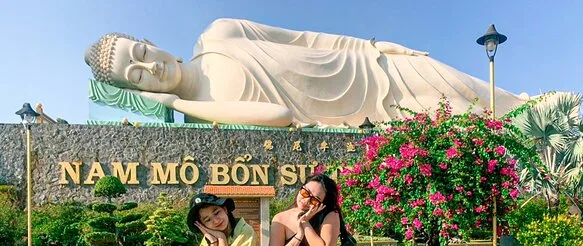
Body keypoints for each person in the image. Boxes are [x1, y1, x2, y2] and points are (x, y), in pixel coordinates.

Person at [84, 18, 528, 127]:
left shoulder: (219, 33)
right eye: (137, 76)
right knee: (465, 118)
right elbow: (278, 116)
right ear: (137, 91)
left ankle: (533, 107)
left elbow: (306, 40)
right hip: (364, 113)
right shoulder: (203, 110)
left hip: (362, 67)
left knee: (476, 91)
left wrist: (370, 46)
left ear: (150, 40)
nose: (151, 65)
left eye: (141, 51)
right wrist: (175, 102)